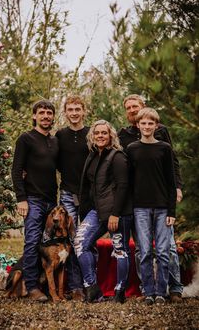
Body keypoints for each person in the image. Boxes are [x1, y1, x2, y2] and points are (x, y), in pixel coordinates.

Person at [118, 94, 183, 303]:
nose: (146, 126)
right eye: (143, 123)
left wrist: (172, 209)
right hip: (140, 208)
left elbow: (171, 177)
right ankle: (148, 291)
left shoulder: (164, 147)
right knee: (144, 250)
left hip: (163, 207)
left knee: (164, 251)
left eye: (150, 123)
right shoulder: (131, 148)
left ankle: (164, 291)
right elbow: (126, 179)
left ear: (156, 125)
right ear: (138, 124)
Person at [74, 119, 133, 303]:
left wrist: (116, 213)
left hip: (118, 213)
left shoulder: (118, 156)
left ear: (111, 136)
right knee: (80, 244)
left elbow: (123, 186)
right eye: (97, 133)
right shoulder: (92, 156)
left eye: (104, 133)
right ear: (92, 136)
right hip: (96, 211)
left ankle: (119, 292)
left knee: (120, 250)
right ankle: (92, 289)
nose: (100, 136)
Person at [11, 100, 58, 302]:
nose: (46, 116)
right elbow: (16, 169)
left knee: (46, 244)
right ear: (34, 116)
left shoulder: (55, 142)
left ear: (53, 116)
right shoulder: (26, 139)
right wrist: (21, 199)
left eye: (49, 113)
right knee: (31, 242)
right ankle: (31, 287)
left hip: (51, 201)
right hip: (32, 199)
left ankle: (44, 283)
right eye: (42, 113)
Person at [56, 95, 89, 301]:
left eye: (78, 109)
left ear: (84, 111)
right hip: (68, 193)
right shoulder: (60, 135)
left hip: (89, 196)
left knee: (86, 241)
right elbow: (54, 161)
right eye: (71, 109)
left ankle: (89, 283)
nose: (74, 113)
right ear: (66, 112)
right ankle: (75, 287)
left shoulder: (91, 134)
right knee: (69, 239)